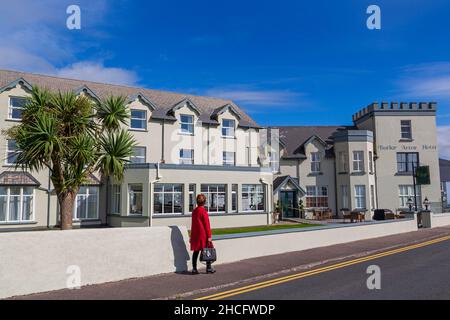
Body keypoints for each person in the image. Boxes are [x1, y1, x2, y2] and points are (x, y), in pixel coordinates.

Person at [190, 194, 216, 274]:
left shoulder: (194, 211)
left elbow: (193, 224)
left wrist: (191, 236)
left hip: (195, 234)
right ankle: (208, 268)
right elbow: (206, 224)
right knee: (207, 250)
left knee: (196, 251)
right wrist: (209, 236)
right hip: (203, 234)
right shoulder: (203, 211)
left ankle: (194, 269)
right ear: (204, 202)